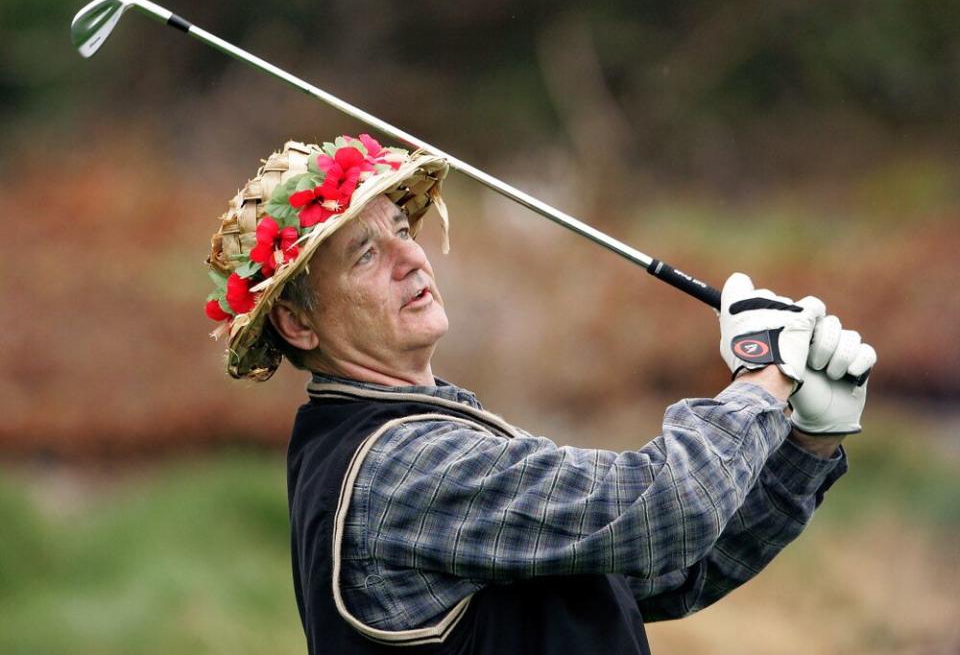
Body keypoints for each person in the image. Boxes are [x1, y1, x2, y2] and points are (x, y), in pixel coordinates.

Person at [205, 136, 877, 655]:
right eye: (364, 255)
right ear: (299, 322)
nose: (411, 260)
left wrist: (806, 442)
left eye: (403, 231)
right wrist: (763, 373)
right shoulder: (400, 465)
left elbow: (667, 571)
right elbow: (667, 508)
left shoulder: (423, 431)